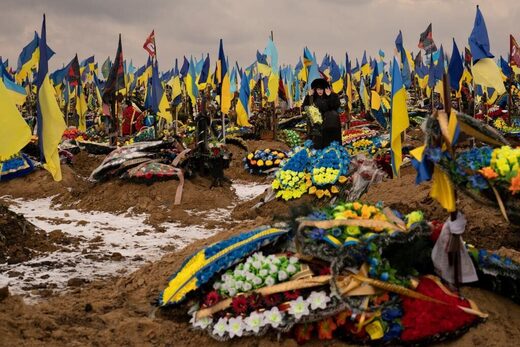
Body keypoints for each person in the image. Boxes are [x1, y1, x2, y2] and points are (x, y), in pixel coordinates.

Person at [302, 78, 341, 149]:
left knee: (331, 145)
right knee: (318, 145)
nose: (319, 91)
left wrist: (330, 96)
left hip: (330, 126)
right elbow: (305, 107)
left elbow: (335, 106)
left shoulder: (333, 95)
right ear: (315, 90)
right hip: (317, 127)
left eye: (321, 89)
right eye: (318, 89)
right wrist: (309, 96)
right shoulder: (312, 97)